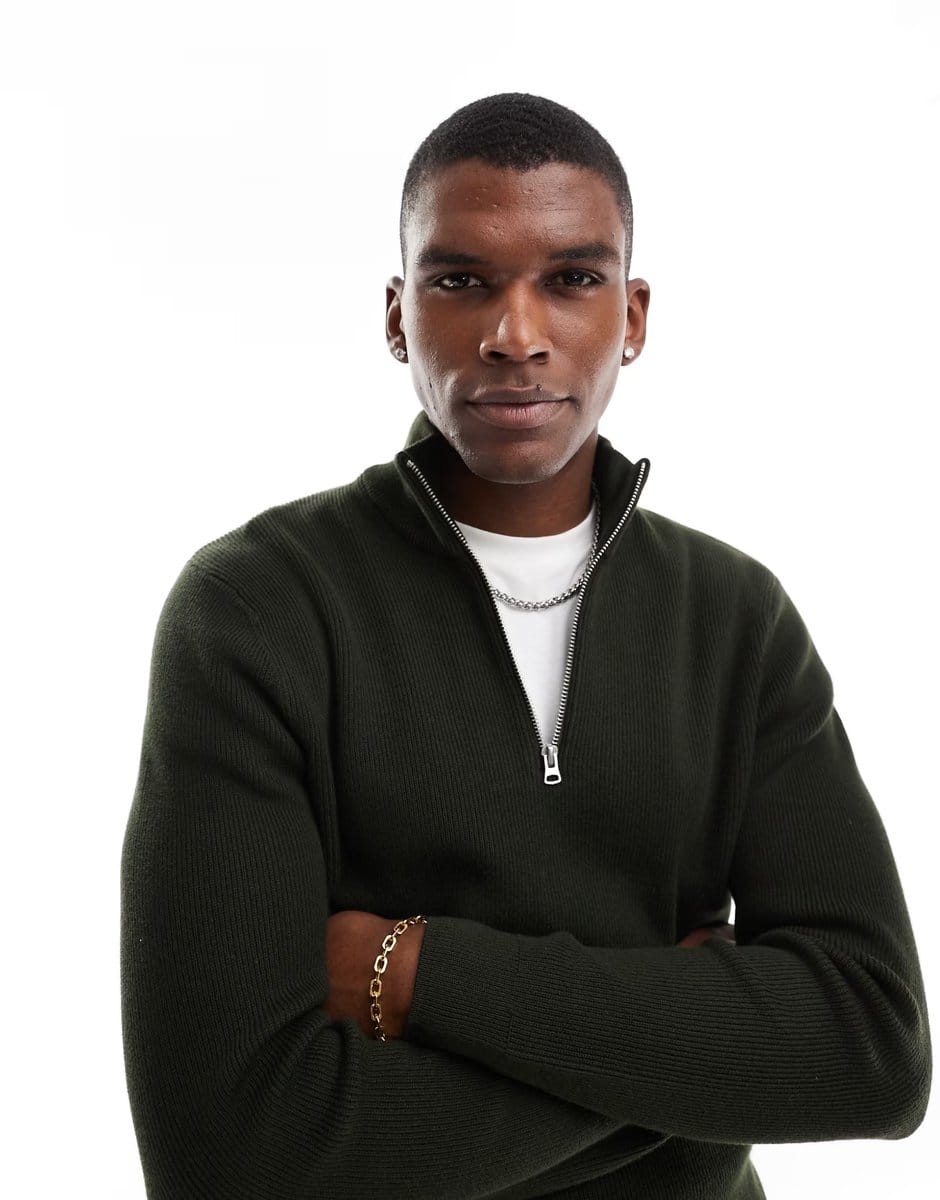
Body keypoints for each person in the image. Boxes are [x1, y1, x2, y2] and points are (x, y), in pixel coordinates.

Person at [120, 92, 930, 1199]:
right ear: (397, 316)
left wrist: (411, 971)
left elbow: (874, 1052)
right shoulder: (258, 612)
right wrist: (708, 1063)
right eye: (461, 281)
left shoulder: (736, 620)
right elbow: (227, 1160)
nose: (516, 333)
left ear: (632, 317)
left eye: (572, 278)